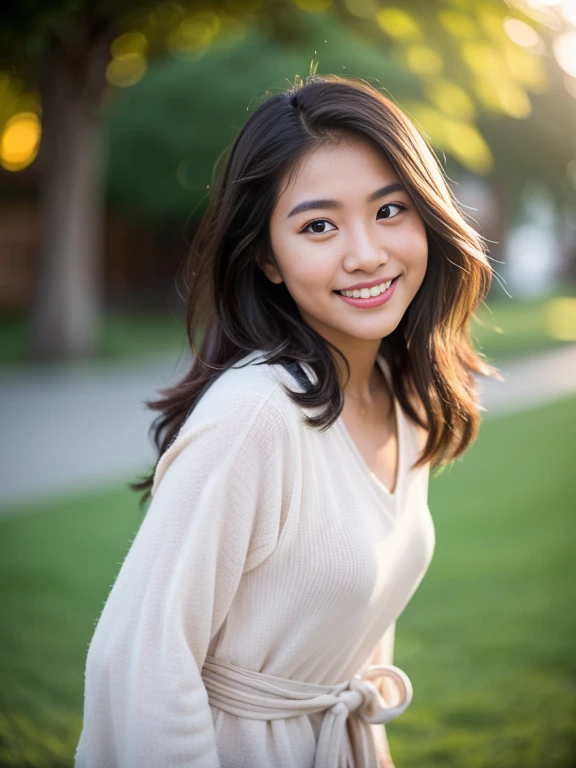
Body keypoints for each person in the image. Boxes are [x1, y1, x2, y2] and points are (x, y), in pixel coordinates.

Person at [75, 74, 500, 768]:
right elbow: (137, 668)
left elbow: (349, 640)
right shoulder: (254, 417)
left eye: (389, 210)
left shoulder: (403, 397)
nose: (365, 252)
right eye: (319, 226)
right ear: (268, 258)